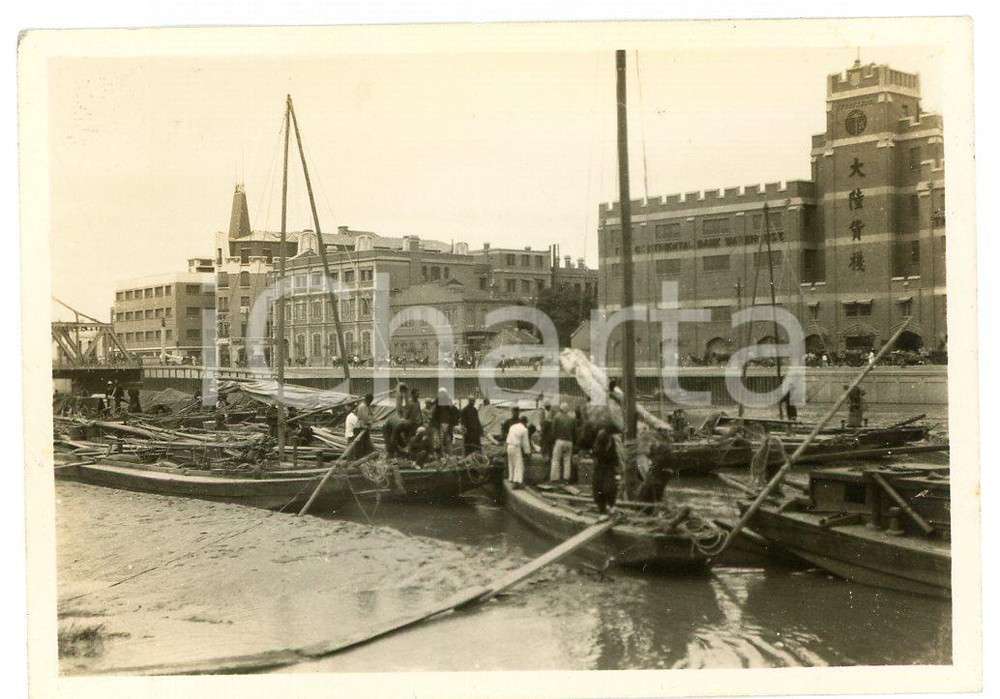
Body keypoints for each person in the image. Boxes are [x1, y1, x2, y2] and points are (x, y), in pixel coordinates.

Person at [635, 439, 677, 511]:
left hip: (654, 483)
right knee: (655, 495)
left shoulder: (659, 460)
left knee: (649, 494)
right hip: (657, 482)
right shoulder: (665, 458)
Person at [591, 423, 620, 516]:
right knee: (604, 487)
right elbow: (598, 454)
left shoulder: (610, 440)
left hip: (605, 467)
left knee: (606, 487)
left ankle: (606, 506)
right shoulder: (603, 440)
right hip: (603, 467)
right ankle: (604, 507)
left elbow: (613, 455)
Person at [549, 403, 576, 482]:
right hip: (569, 441)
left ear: (560, 409)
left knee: (556, 460)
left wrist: (553, 439)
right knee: (567, 460)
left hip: (559, 440)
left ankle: (554, 478)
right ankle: (566, 478)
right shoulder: (572, 419)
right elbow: (575, 432)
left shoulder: (557, 417)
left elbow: (553, 430)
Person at [506, 415, 532, 487]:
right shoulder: (524, 429)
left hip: (509, 446)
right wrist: (528, 452)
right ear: (525, 422)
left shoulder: (513, 426)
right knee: (518, 464)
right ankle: (517, 482)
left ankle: (511, 478)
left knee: (511, 463)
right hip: (516, 447)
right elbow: (525, 443)